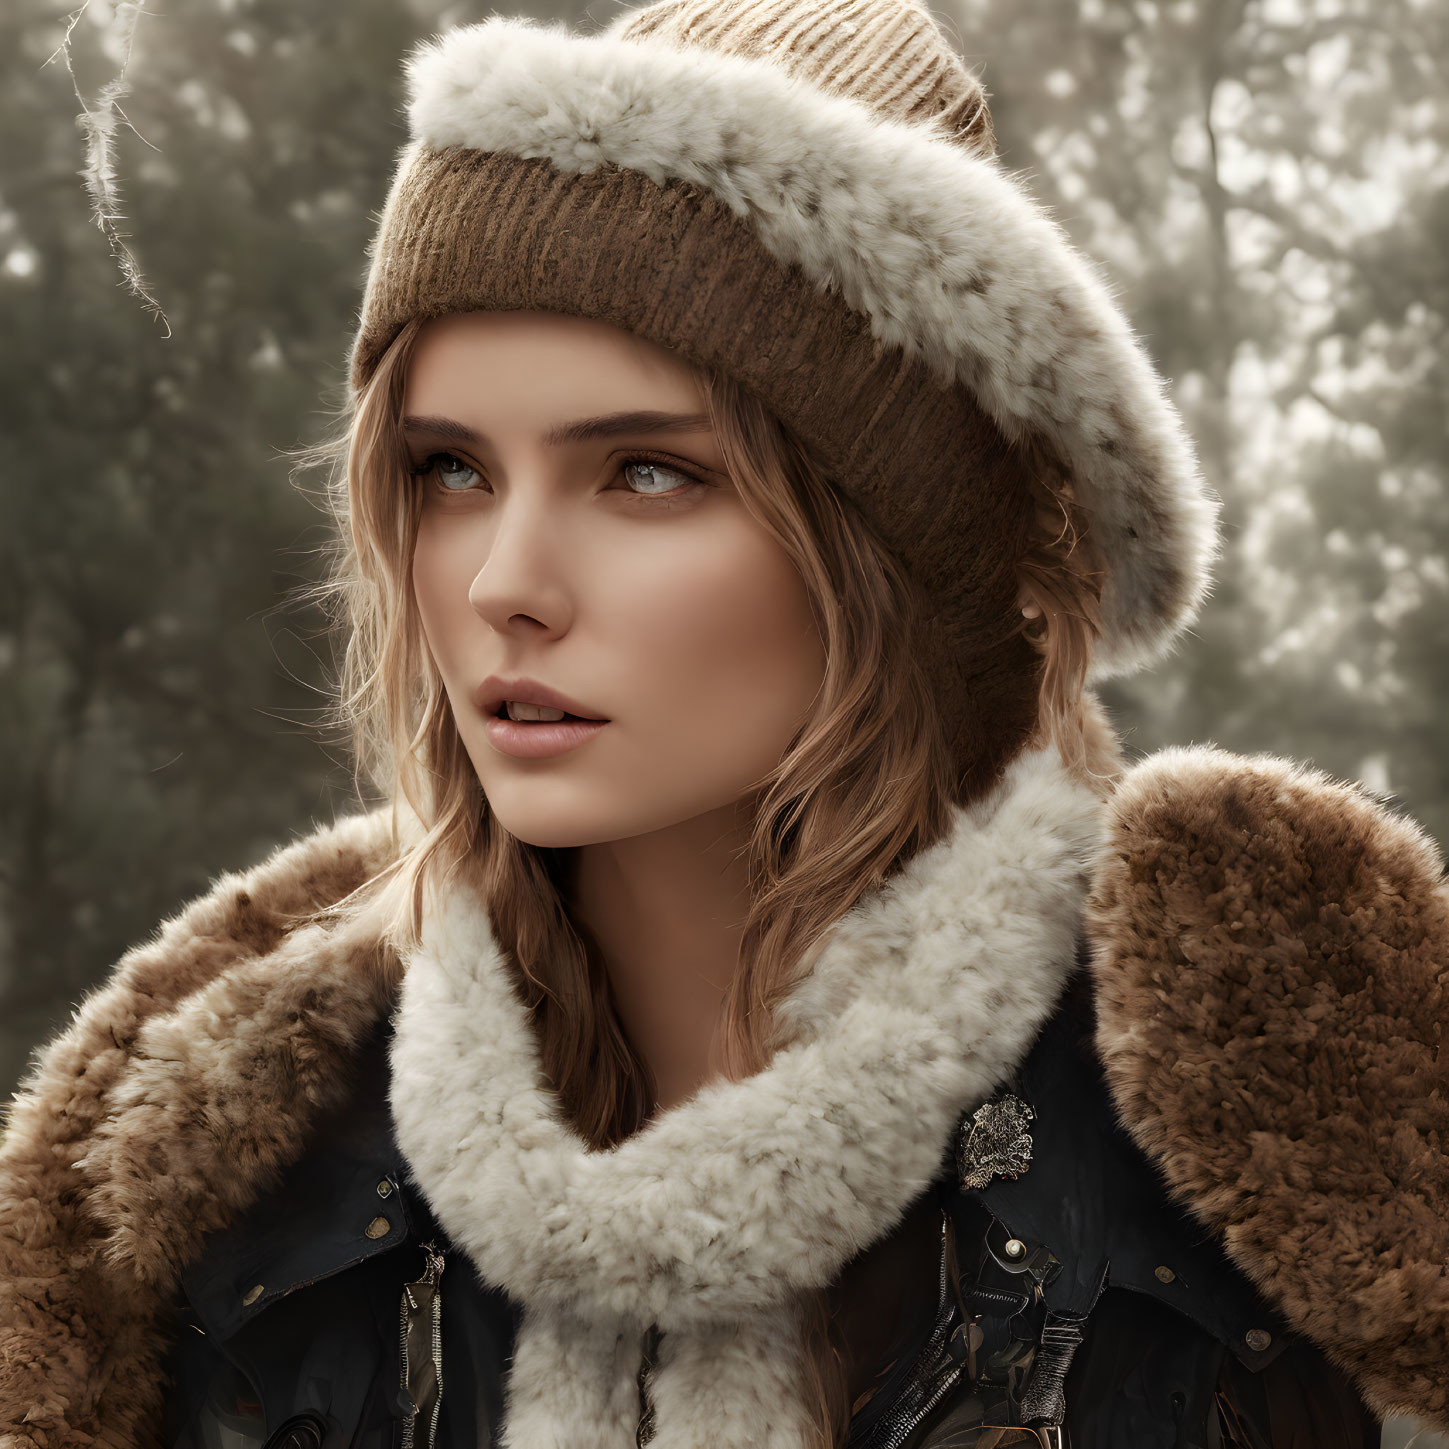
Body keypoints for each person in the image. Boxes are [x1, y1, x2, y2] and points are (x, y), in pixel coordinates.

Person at [1, 0, 1445, 1446]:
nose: (505, 583)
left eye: (644, 474)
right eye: (450, 472)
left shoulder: (1266, 1133)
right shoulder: (220, 1164)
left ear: (895, 544)